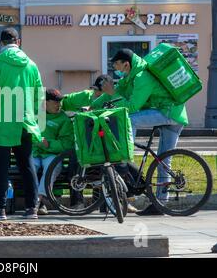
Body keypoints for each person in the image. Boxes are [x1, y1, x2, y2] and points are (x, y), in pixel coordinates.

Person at [94, 48, 188, 216]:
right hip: (172, 114)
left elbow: (131, 107)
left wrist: (113, 92)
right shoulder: (129, 76)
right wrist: (93, 106)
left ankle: (126, 154)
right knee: (163, 161)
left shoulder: (142, 77)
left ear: (126, 64)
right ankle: (161, 204)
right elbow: (116, 94)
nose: (114, 67)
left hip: (168, 113)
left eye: (116, 64)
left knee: (130, 118)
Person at [0, 28, 44, 221]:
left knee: (0, 166)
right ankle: (32, 208)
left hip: (1, 122)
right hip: (25, 122)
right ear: (19, 42)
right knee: (27, 164)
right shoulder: (31, 65)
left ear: (1, 43)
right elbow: (38, 95)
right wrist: (34, 119)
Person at [33, 89, 83, 215]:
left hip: (51, 154)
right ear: (45, 102)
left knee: (52, 167)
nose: (59, 105)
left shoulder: (63, 119)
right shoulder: (34, 114)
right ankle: (38, 203)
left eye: (60, 102)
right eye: (55, 102)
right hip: (33, 153)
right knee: (29, 168)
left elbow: (66, 143)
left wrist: (48, 144)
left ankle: (37, 200)